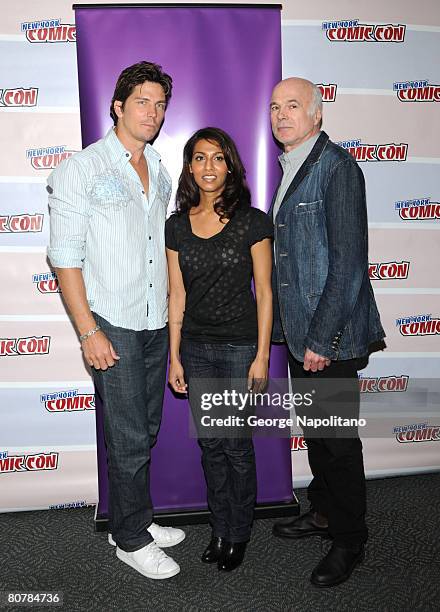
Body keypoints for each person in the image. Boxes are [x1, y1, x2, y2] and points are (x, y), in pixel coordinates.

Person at [47, 61, 185, 580]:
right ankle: (129, 540)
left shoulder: (161, 170)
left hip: (152, 324)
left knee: (144, 431)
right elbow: (64, 257)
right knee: (128, 439)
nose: (152, 112)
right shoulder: (80, 169)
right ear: (118, 106)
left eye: (160, 104)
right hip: (114, 326)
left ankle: (137, 519)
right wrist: (89, 331)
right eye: (142, 102)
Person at [269, 78, 385, 587]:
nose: (281, 114)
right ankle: (322, 512)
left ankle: (350, 539)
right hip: (302, 333)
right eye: (274, 107)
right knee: (317, 433)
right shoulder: (293, 166)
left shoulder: (337, 168)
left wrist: (322, 339)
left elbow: (348, 266)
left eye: (292, 105)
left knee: (337, 442)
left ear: (317, 114)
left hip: (327, 337)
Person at [166, 127, 273, 572]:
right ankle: (220, 526)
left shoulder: (252, 220)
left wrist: (262, 354)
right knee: (211, 446)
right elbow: (176, 294)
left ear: (230, 165)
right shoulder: (176, 225)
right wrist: (174, 355)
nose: (208, 166)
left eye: (217, 157)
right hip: (196, 348)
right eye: (199, 157)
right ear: (189, 166)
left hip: (239, 347)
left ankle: (239, 531)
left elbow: (265, 292)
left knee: (235, 445)